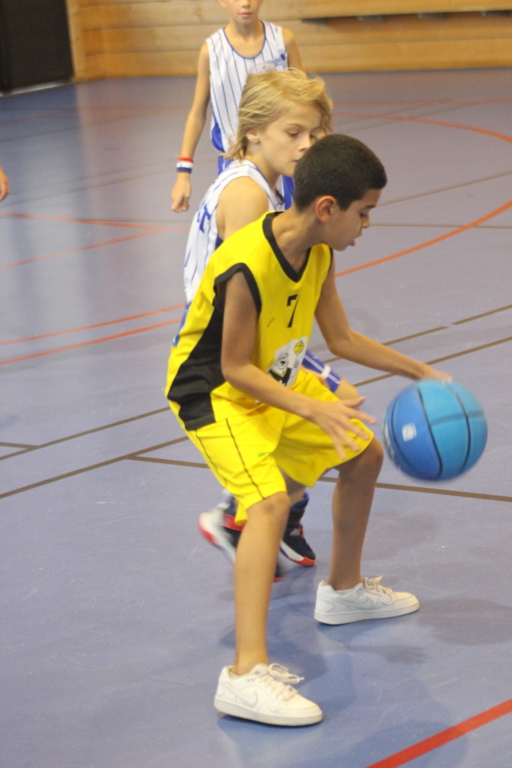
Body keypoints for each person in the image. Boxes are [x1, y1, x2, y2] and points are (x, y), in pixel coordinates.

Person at [166, 133, 450, 726]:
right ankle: (245, 675)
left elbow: (340, 338)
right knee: (268, 503)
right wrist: (313, 407)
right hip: (213, 393)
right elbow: (233, 368)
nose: (367, 224)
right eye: (363, 212)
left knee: (364, 454)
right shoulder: (246, 263)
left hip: (270, 377)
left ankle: (343, 591)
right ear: (327, 207)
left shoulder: (318, 252)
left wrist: (418, 370)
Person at [180, 68, 355, 572]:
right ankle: (245, 516)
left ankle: (276, 511)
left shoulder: (264, 183)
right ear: (254, 131)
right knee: (338, 409)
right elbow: (247, 286)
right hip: (227, 346)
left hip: (255, 335)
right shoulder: (249, 195)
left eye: (315, 134)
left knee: (331, 415)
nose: (307, 145)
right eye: (294, 132)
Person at [170, 0, 302, 213]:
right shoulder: (211, 51)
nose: (245, 3)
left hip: (281, 163)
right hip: (235, 164)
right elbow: (197, 113)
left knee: (288, 232)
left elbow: (305, 105)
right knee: (242, 230)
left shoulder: (284, 41)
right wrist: (183, 174)